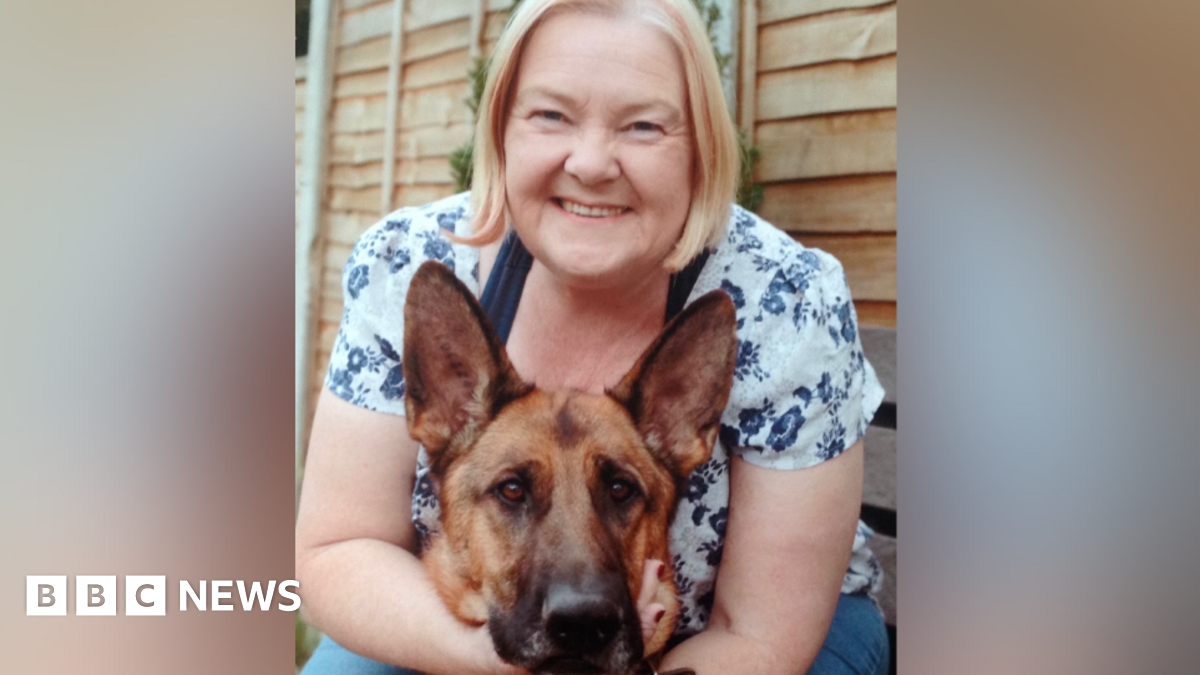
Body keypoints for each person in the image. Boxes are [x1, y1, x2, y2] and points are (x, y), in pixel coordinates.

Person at [295, 1, 888, 674]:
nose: (592, 161)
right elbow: (339, 548)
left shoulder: (788, 300)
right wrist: (497, 660)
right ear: (502, 131)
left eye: (643, 125)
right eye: (552, 114)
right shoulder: (407, 260)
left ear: (700, 147)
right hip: (473, 626)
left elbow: (761, 637)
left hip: (738, 636)